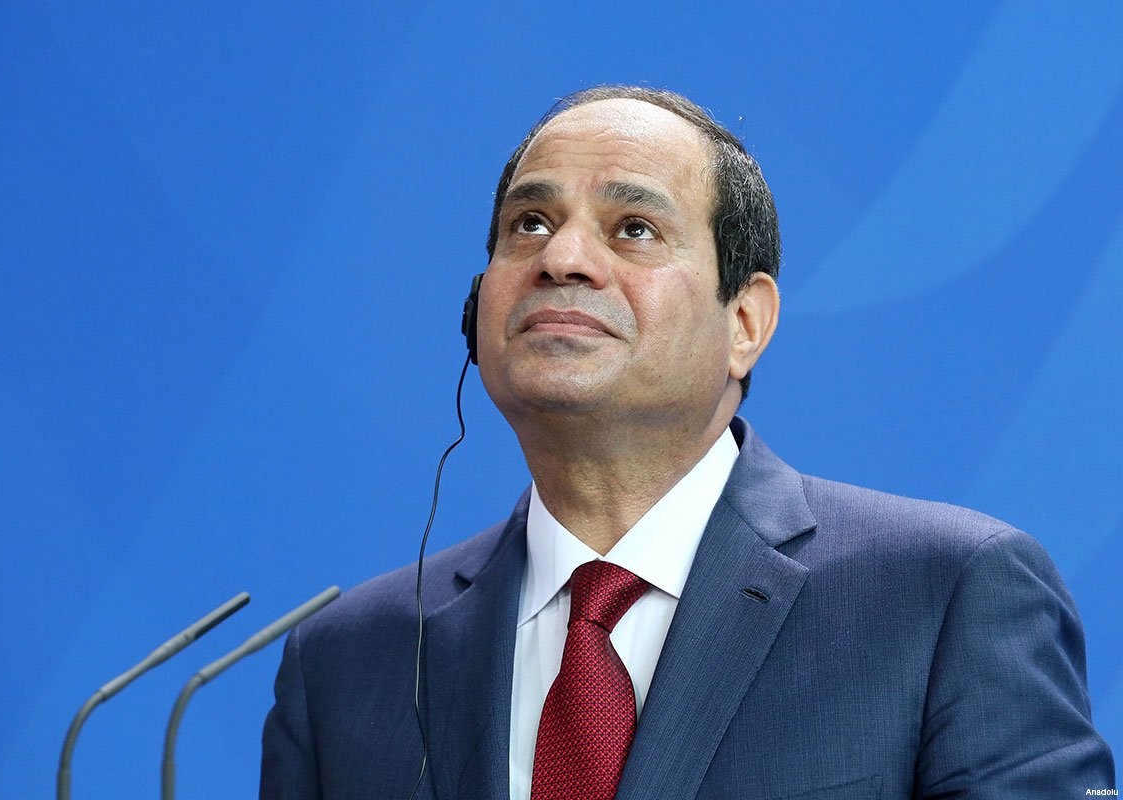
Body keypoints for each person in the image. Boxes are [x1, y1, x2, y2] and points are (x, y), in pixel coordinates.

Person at [260, 86, 1114, 799]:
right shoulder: (347, 661)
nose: (562, 257)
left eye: (634, 227)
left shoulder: (945, 594)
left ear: (745, 322)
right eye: (530, 223)